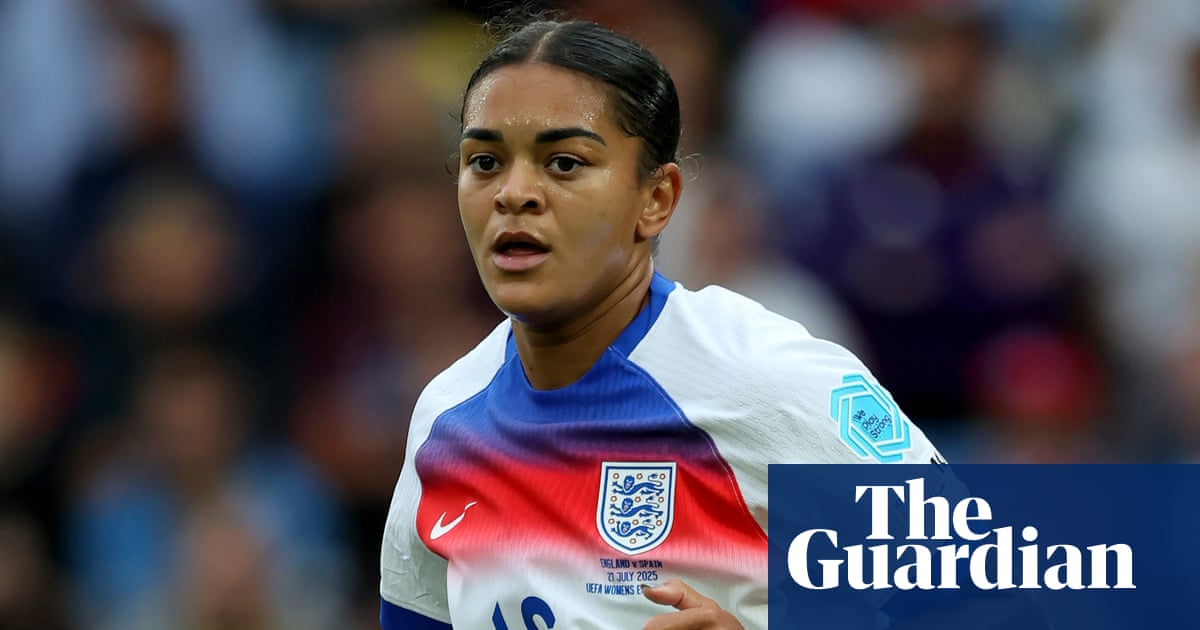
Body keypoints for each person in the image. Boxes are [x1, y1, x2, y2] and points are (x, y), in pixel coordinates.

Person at [379, 17, 943, 630]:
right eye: (485, 161)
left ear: (657, 199)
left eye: (564, 163)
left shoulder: (772, 385)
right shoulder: (445, 418)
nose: (513, 194)